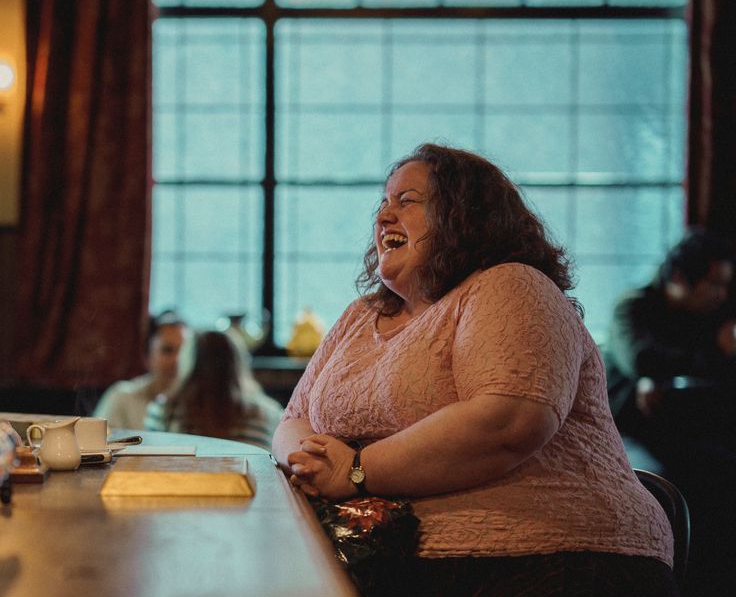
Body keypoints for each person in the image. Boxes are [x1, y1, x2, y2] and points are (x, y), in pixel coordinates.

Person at [274, 143, 676, 596]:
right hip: (387, 559)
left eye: (407, 201)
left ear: (464, 215)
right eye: (383, 203)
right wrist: (313, 463)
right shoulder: (360, 315)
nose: (384, 216)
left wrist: (355, 470)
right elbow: (292, 421)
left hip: (552, 560)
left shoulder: (511, 284)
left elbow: (508, 420)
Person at [604, 228, 736, 596]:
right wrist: (714, 351)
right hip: (624, 431)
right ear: (678, 277)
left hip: (676, 430)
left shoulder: (708, 316)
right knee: (660, 486)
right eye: (715, 284)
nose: (722, 294)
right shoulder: (633, 306)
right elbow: (642, 359)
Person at [144, 330, 283, 450]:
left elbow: (154, 461)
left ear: (187, 363)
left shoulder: (162, 411)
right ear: (238, 363)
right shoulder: (269, 413)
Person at [92, 311, 188, 429]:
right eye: (167, 350)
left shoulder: (196, 404)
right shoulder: (122, 397)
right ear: (148, 354)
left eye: (184, 351)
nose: (177, 360)